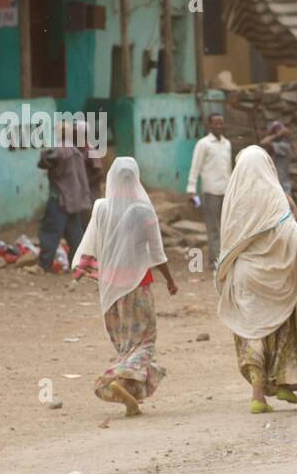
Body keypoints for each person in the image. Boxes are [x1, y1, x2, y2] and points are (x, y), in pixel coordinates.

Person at [216, 146, 297, 413]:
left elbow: (227, 240)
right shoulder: (276, 197)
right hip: (276, 273)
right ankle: (269, 389)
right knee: (278, 328)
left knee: (252, 330)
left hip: (244, 274)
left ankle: (266, 390)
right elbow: (290, 232)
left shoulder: (233, 197)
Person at [72, 158, 177, 416]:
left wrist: (86, 269)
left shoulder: (101, 208)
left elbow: (92, 244)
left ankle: (129, 394)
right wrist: (171, 281)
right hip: (138, 286)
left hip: (109, 289)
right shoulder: (143, 210)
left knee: (125, 344)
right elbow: (157, 253)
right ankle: (113, 378)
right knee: (144, 343)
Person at [37, 125, 92, 272]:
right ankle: (77, 266)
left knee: (49, 233)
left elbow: (43, 162)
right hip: (75, 201)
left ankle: (45, 266)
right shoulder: (77, 152)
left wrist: (44, 151)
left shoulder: (60, 150)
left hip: (60, 199)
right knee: (75, 235)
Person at [187, 113, 232, 267]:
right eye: (216, 124)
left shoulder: (227, 144)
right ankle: (214, 259)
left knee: (226, 226)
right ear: (209, 125)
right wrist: (191, 189)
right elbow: (195, 168)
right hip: (210, 191)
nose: (219, 126)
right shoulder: (203, 144)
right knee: (213, 228)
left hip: (226, 190)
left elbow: (229, 168)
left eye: (221, 123)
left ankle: (225, 258)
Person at [258, 121, 295, 199]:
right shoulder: (274, 146)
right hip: (275, 187)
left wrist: (276, 135)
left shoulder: (284, 146)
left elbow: (264, 142)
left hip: (283, 188)